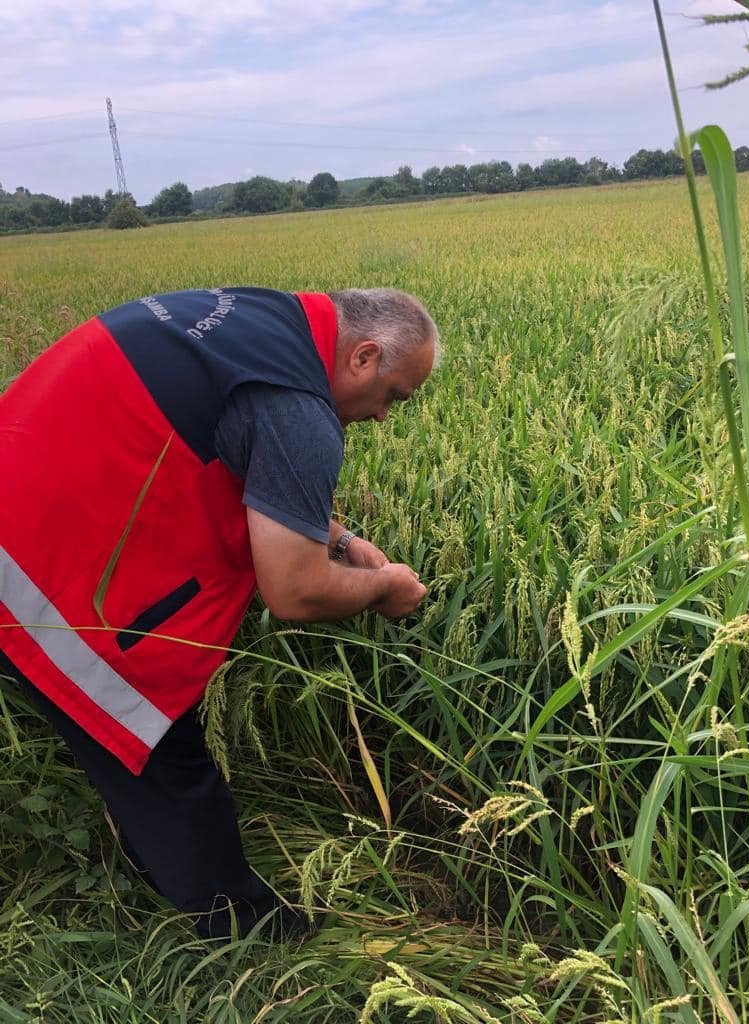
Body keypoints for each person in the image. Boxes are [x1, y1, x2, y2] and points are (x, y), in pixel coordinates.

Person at [0, 285, 439, 941]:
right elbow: (294, 591)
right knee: (161, 753)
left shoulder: (262, 320)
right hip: (41, 572)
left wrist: (342, 541)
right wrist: (385, 587)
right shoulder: (299, 410)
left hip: (27, 503)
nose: (382, 417)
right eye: (392, 396)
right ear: (364, 356)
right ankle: (249, 935)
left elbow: (239, 448)